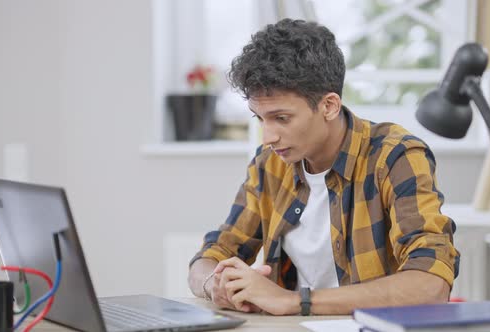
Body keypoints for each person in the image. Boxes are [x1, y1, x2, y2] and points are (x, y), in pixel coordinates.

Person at [188, 18, 459, 316]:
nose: (268, 137)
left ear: (329, 106)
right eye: (259, 118)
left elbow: (431, 285)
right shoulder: (270, 164)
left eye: (281, 118)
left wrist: (294, 301)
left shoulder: (395, 156)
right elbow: (211, 256)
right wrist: (214, 284)